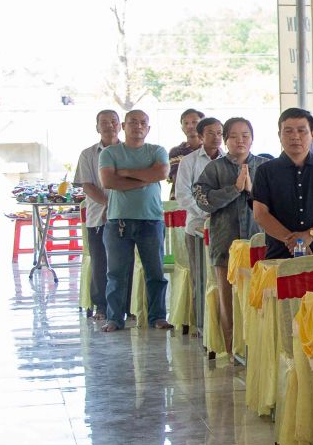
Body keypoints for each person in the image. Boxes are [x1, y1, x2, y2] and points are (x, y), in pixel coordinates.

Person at [193, 118, 269, 355]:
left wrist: (252, 191)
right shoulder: (214, 169)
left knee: (261, 299)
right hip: (225, 243)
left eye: (245, 135)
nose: (240, 141)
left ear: (252, 139)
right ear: (225, 140)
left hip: (261, 244)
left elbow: (278, 202)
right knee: (228, 300)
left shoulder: (266, 166)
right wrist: (235, 189)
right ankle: (231, 350)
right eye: (234, 136)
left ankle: (257, 350)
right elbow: (203, 201)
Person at [98, 109, 171, 332]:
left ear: (148, 128)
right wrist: (144, 178)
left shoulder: (157, 150)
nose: (138, 126)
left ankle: (158, 317)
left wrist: (126, 172)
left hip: (151, 220)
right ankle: (114, 318)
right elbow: (109, 181)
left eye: (142, 123)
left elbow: (161, 173)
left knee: (155, 272)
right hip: (118, 222)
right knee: (116, 274)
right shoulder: (109, 153)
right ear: (123, 126)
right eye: (132, 122)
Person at [252, 108, 313, 260]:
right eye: (288, 131)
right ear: (279, 135)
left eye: (302, 131)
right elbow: (260, 214)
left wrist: (310, 235)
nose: (295, 136)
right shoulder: (265, 171)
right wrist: (295, 243)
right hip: (279, 255)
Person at [173, 116, 223, 328]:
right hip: (197, 227)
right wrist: (205, 212)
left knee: (222, 277)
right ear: (201, 136)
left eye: (220, 133)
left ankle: (221, 323)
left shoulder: (229, 160)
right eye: (211, 133)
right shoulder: (190, 161)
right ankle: (200, 324)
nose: (216, 137)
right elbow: (183, 194)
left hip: (223, 227)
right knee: (199, 276)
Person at [74, 109, 120, 319]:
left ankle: (126, 306)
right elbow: (87, 185)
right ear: (97, 127)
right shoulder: (88, 154)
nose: (109, 125)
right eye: (104, 122)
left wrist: (118, 208)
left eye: (113, 121)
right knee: (101, 262)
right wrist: (110, 205)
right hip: (98, 216)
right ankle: (101, 306)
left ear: (120, 125)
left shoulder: (130, 152)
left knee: (125, 263)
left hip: (126, 216)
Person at [167, 107, 204, 196]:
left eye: (194, 122)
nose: (190, 126)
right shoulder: (176, 152)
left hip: (206, 200)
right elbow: (178, 179)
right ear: (182, 128)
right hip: (180, 200)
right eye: (186, 123)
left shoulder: (212, 150)